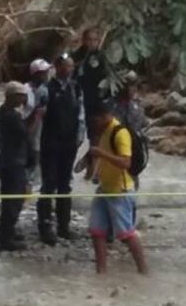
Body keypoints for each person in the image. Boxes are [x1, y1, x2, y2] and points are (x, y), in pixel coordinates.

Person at [88, 102, 148, 275]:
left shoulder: (120, 133)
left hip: (120, 191)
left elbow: (125, 162)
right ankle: (101, 272)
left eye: (96, 120)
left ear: (105, 116)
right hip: (104, 188)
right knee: (96, 231)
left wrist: (101, 154)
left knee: (126, 233)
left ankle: (143, 271)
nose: (94, 123)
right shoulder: (104, 131)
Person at [38, 53, 85, 245]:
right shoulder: (46, 89)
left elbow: (81, 114)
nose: (69, 69)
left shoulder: (76, 88)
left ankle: (64, 226)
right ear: (57, 67)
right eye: (66, 66)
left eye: (71, 66)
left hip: (69, 143)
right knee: (49, 184)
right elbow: (39, 117)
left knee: (65, 184)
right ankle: (45, 227)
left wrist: (80, 137)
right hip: (50, 143)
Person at [0, 81, 35, 251]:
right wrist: (37, 116)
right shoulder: (10, 116)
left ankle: (8, 231)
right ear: (12, 96)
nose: (24, 98)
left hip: (8, 159)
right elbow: (26, 133)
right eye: (21, 95)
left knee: (12, 198)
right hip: (12, 162)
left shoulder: (4, 112)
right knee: (14, 199)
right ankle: (6, 238)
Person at [73, 28, 109, 178]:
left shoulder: (100, 58)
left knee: (97, 138)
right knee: (82, 138)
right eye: (89, 40)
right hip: (79, 102)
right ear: (84, 40)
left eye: (95, 40)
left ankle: (92, 172)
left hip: (97, 104)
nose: (92, 43)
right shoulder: (76, 56)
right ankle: (89, 165)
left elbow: (105, 80)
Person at [28, 58, 52, 187]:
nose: (46, 74)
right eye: (43, 72)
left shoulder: (46, 88)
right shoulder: (27, 89)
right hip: (33, 125)